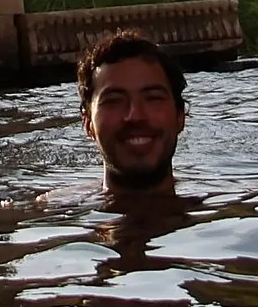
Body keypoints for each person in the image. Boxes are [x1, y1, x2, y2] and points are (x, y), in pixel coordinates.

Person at [77, 29, 187, 190]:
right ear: (88, 124)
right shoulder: (53, 211)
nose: (135, 116)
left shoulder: (222, 201)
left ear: (180, 117)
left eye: (153, 98)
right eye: (114, 101)